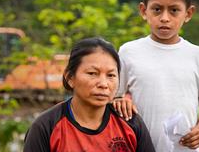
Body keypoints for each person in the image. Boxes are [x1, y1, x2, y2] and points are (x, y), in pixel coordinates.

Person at [112, 0, 199, 151]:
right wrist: (118, 101)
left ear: (188, 13)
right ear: (143, 11)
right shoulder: (128, 52)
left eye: (174, 10)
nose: (164, 18)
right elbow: (112, 99)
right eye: (157, 9)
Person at [24, 37, 155, 152]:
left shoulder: (130, 121)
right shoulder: (46, 127)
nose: (103, 84)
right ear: (70, 77)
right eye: (92, 73)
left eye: (111, 75)